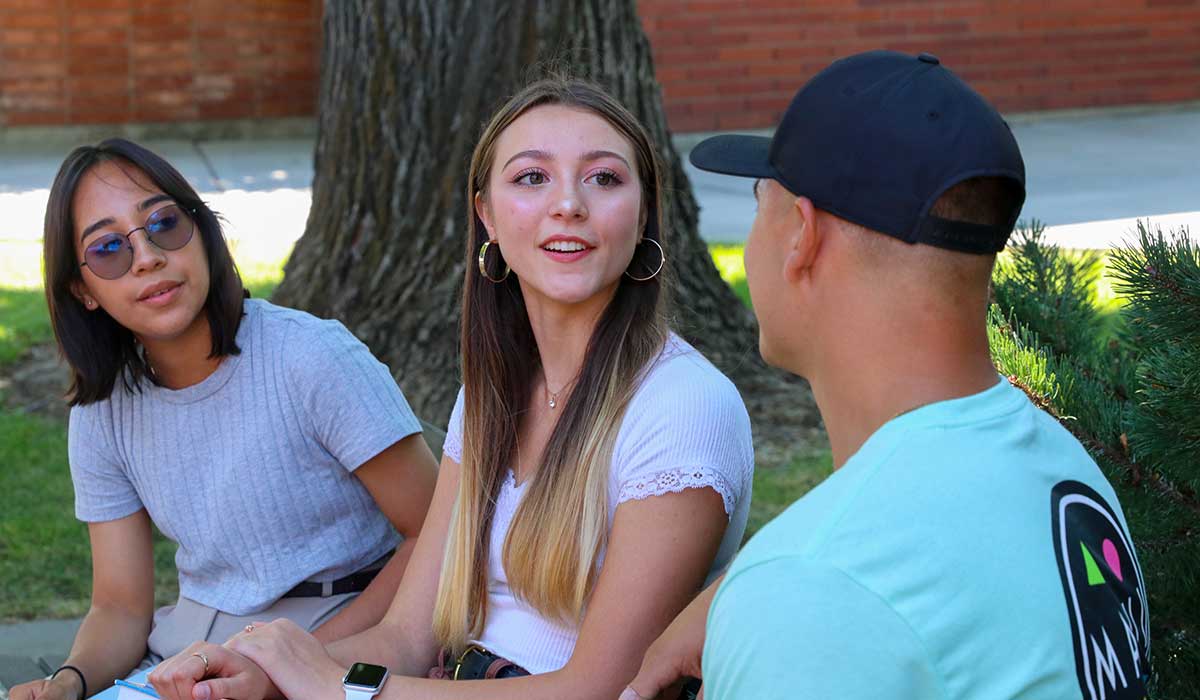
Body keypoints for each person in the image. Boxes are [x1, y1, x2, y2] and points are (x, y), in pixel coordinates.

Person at [148, 77, 755, 700]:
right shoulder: (494, 391)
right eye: (531, 178)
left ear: (644, 211)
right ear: (486, 214)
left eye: (603, 178)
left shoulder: (683, 405)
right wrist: (267, 676)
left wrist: (342, 691)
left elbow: (594, 689)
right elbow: (408, 636)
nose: (569, 204)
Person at [624, 50, 1149, 699]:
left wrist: (779, 607)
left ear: (802, 237)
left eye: (763, 197)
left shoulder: (814, 590)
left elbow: (841, 588)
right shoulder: (1064, 473)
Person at [10, 139, 439, 700]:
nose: (147, 257)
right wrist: (67, 683)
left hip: (344, 630)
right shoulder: (102, 409)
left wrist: (299, 665)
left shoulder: (311, 357)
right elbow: (119, 606)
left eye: (164, 223)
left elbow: (438, 535)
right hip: (193, 648)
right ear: (82, 290)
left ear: (202, 232)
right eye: (109, 248)